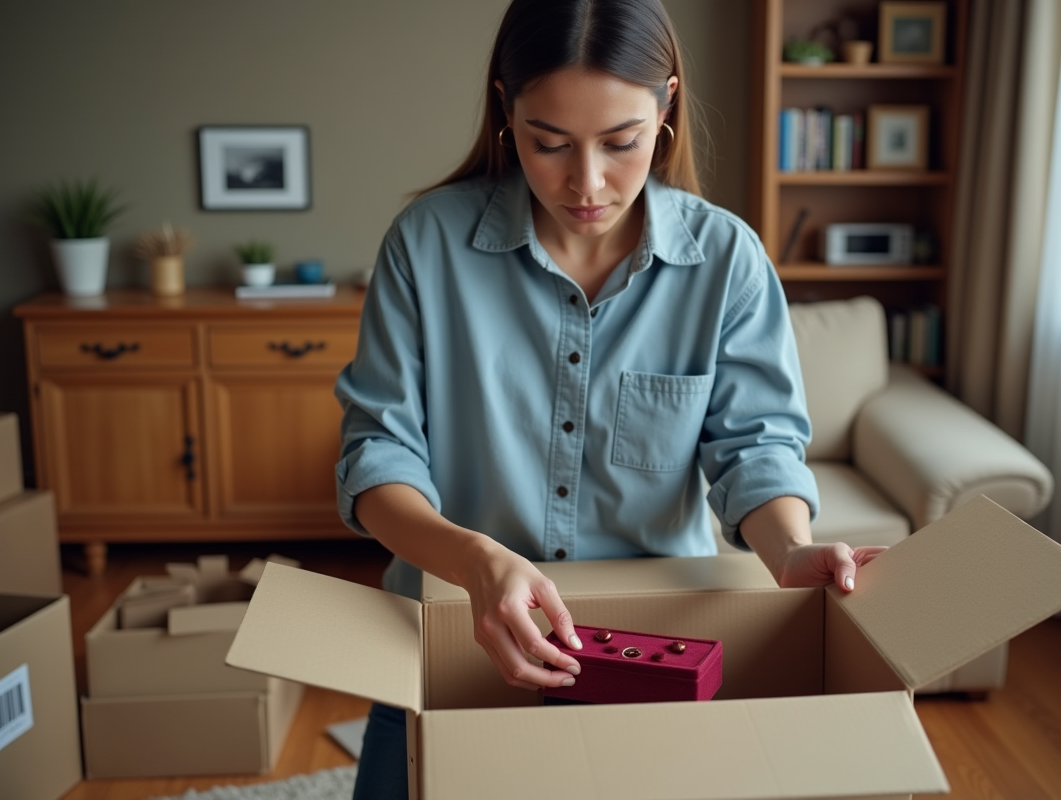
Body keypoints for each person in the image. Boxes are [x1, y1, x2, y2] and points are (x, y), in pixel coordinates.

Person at [334, 0, 885, 795]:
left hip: (653, 648)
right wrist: (477, 561)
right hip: (450, 624)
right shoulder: (425, 245)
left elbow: (755, 448)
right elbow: (376, 456)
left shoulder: (726, 259)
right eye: (547, 142)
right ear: (504, 112)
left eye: (620, 142)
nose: (586, 183)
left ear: (665, 107)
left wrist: (790, 550)